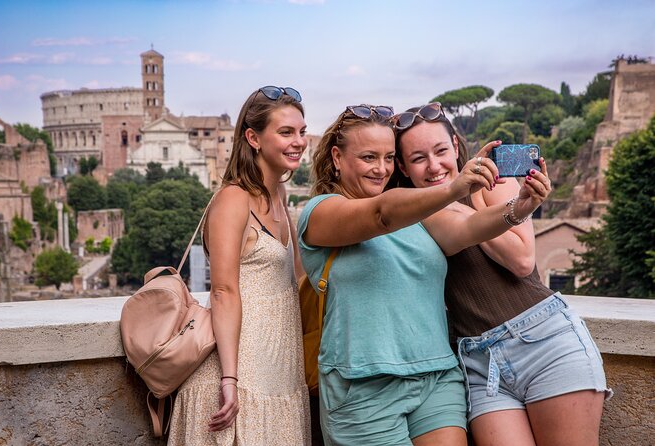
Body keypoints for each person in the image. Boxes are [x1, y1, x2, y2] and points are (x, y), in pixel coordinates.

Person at [297, 104, 549, 446]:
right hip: (363, 386)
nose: (381, 169)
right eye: (369, 157)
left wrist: (519, 208)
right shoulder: (320, 213)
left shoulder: (415, 212)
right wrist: (452, 189)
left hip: (436, 380)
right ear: (337, 158)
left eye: (388, 157)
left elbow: (469, 227)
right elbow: (380, 215)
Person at [391, 102, 612, 446]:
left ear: (456, 146)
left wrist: (471, 195)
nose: (434, 166)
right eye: (419, 158)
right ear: (403, 166)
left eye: (440, 151)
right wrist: (453, 195)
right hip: (480, 361)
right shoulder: (411, 211)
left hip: (544, 339)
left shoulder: (495, 182)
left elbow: (521, 260)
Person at [168, 86, 311, 445]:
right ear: (253, 137)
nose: (298, 142)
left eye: (302, 131)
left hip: (278, 374)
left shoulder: (279, 195)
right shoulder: (233, 199)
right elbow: (224, 290)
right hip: (236, 380)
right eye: (286, 132)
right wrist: (229, 380)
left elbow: (297, 278)